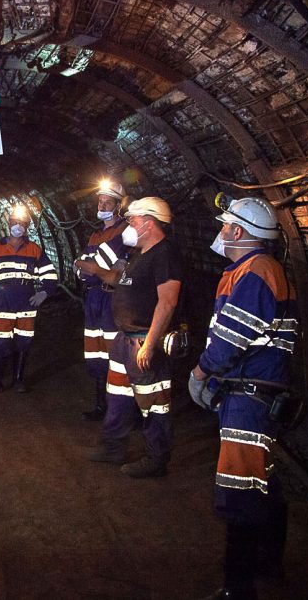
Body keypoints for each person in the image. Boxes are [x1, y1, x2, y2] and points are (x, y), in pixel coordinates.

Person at [188, 197, 295, 600]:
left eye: (225, 226)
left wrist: (201, 373)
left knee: (241, 486)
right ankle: (269, 563)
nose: (220, 232)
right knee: (263, 479)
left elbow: (232, 337)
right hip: (255, 392)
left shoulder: (256, 272)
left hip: (250, 397)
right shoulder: (252, 271)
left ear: (238, 231)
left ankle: (239, 587)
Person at [88, 197, 182, 478]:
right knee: (117, 395)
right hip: (124, 339)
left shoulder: (164, 255)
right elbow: (121, 282)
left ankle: (156, 458)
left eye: (133, 220)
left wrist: (151, 344)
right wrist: (96, 271)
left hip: (143, 340)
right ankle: (113, 446)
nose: (128, 225)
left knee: (153, 402)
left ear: (149, 223)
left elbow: (167, 302)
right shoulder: (139, 254)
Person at [0, 204, 58, 394]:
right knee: (0, 342)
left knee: (24, 342)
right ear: (9, 222)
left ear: (27, 225)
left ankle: (18, 380)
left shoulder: (34, 250)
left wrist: (44, 292)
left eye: (22, 223)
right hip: (3, 304)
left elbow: (50, 275)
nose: (18, 225)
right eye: (15, 222)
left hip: (26, 304)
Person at [73, 180, 128, 420]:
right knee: (96, 355)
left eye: (108, 202)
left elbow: (101, 266)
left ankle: (124, 411)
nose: (102, 204)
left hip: (111, 298)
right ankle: (101, 406)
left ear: (118, 206)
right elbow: (80, 268)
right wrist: (89, 266)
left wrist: (90, 265)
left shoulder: (125, 231)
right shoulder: (96, 234)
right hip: (93, 298)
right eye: (100, 201)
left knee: (116, 356)